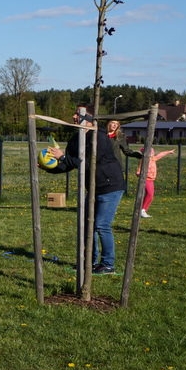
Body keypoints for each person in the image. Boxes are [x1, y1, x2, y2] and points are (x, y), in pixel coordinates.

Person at [46, 104, 125, 274]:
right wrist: (48, 167)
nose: (74, 117)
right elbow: (69, 163)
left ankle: (108, 264)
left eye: (78, 114)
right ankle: (89, 262)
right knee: (87, 225)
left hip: (111, 186)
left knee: (101, 225)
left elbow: (89, 164)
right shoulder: (76, 139)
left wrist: (64, 157)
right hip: (94, 188)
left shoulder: (100, 137)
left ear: (89, 119)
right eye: (75, 113)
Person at [135, 147, 175, 218]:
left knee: (150, 196)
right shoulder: (143, 160)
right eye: (151, 152)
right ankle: (142, 210)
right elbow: (138, 170)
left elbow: (160, 154)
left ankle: (142, 210)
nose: (152, 153)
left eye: (153, 151)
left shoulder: (153, 159)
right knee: (150, 195)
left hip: (151, 180)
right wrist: (139, 174)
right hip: (146, 179)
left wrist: (169, 152)